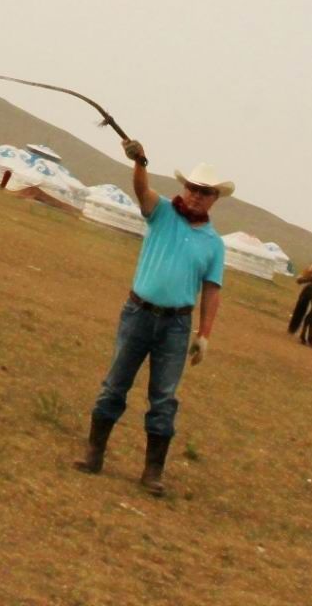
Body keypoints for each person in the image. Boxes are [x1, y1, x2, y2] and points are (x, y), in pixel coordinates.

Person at [74, 139, 235, 496]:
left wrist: (204, 334)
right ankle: (93, 453)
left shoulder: (213, 244)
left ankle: (152, 472)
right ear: (184, 188)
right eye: (192, 188)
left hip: (176, 325)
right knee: (115, 384)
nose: (195, 195)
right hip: (138, 313)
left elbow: (212, 290)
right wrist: (140, 162)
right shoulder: (161, 211)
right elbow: (141, 190)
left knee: (164, 397)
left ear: (214, 199)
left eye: (204, 192)